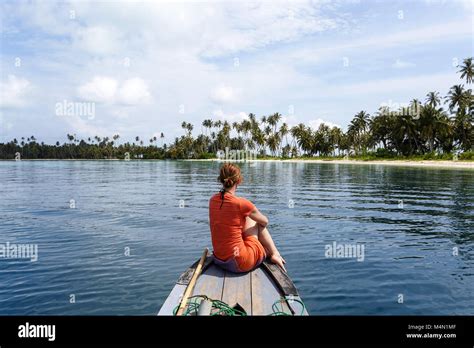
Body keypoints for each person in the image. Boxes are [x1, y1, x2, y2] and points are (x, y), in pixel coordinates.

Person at [209, 162, 286, 273]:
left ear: (221, 180)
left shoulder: (212, 200)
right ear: (239, 180)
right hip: (240, 262)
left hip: (220, 259)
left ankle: (266, 252)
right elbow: (265, 222)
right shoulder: (241, 203)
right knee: (254, 220)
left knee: (244, 218)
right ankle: (274, 253)